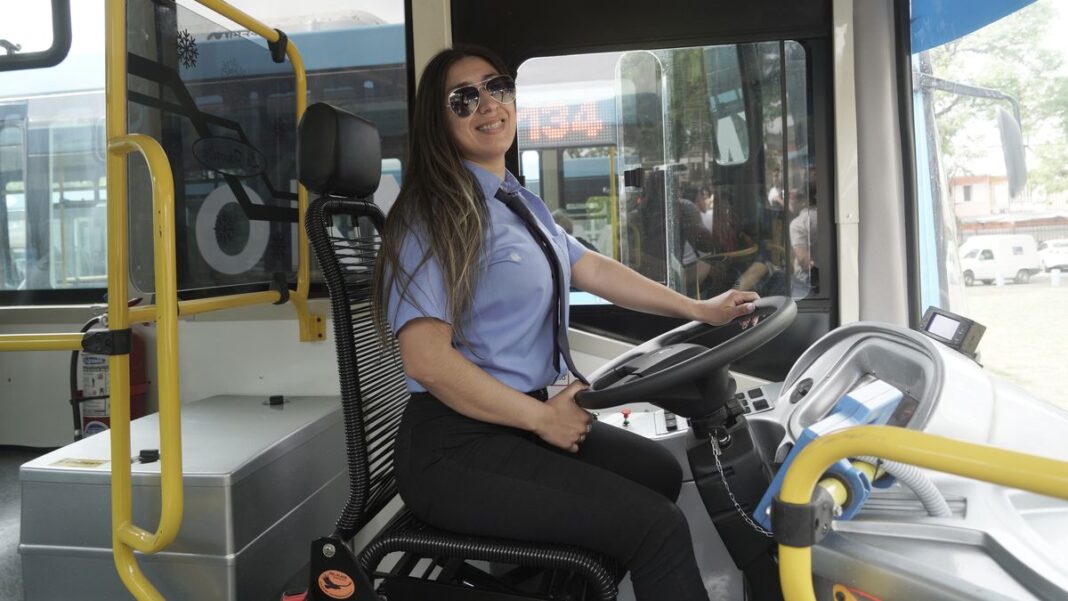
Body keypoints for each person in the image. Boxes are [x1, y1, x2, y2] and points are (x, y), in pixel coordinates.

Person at [371, 45, 759, 601]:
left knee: (658, 474)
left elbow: (591, 268)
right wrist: (542, 419)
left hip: (513, 424)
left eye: (497, 86)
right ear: (438, 121)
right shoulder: (428, 216)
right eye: (463, 98)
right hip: (453, 449)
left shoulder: (516, 202)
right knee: (656, 529)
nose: (488, 104)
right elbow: (426, 360)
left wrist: (699, 309)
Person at [788, 185, 818, 295]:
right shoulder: (822, 215)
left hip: (806, 283)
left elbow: (803, 260)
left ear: (804, 201)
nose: (788, 202)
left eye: (792, 198)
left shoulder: (797, 224)